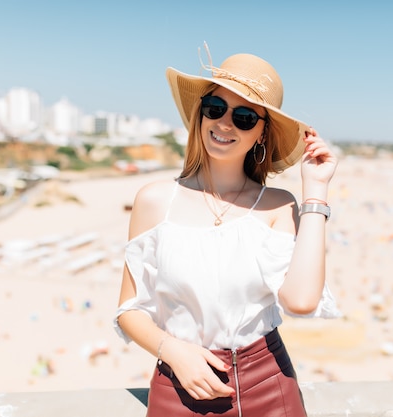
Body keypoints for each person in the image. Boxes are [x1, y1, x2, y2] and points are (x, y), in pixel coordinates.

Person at [114, 45, 342, 417]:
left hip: (270, 382)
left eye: (245, 117)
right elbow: (129, 309)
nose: (224, 124)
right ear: (200, 114)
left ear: (263, 134)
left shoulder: (280, 205)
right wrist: (173, 352)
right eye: (215, 108)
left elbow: (301, 301)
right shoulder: (154, 201)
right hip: (179, 385)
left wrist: (315, 192)